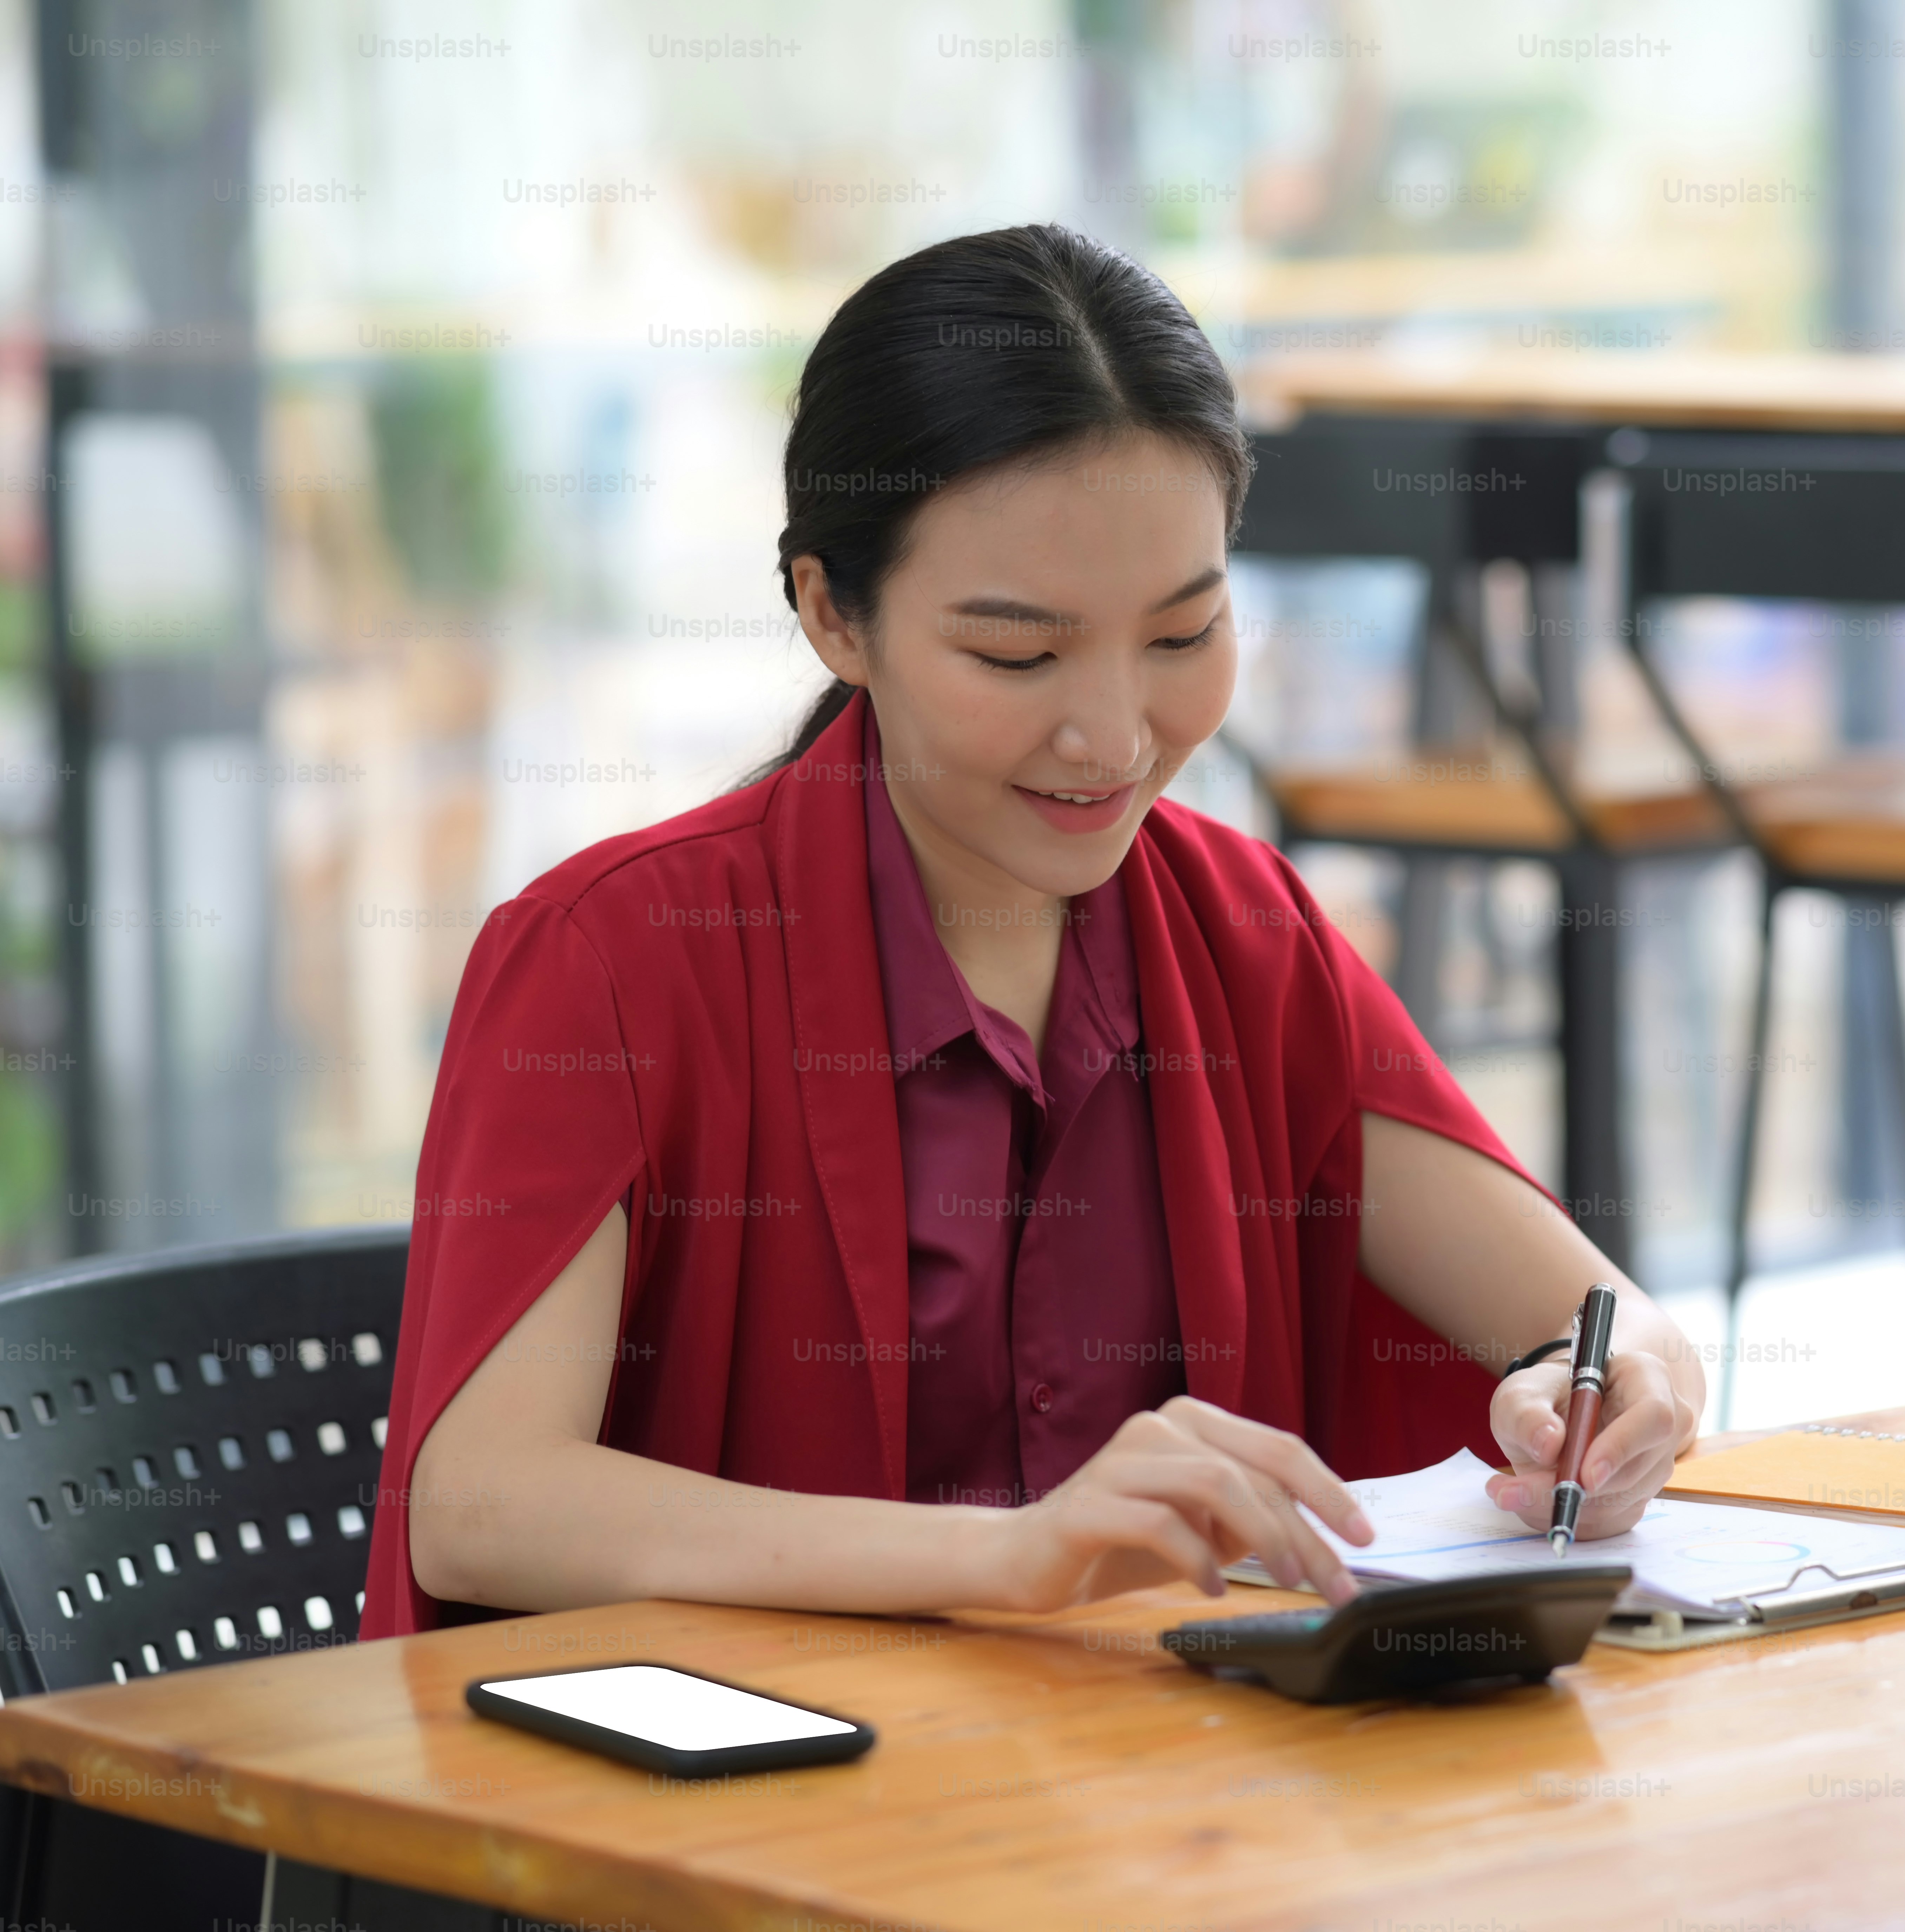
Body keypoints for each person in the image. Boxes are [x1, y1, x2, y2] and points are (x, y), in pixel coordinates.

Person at [360, 223, 1707, 1637]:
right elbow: (483, 1500)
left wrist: (1611, 1402)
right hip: (731, 1804)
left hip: (1142, 1806)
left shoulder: (1241, 931)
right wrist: (1012, 1557)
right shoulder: (613, 958)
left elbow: (1611, 1325)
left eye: (1184, 635)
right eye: (1018, 653)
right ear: (832, 612)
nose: (1116, 735)